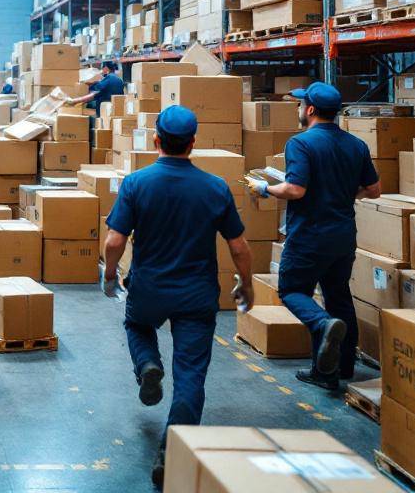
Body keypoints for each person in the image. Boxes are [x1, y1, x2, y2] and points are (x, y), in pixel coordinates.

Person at [100, 105, 254, 486]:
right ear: (193, 143)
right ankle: (172, 453)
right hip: (197, 295)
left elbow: (115, 241)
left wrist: (109, 274)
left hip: (149, 289)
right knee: (191, 376)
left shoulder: (136, 183)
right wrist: (247, 284)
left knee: (137, 326)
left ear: (156, 141)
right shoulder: (215, 187)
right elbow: (239, 247)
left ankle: (148, 365)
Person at [249, 81, 380, 392]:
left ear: (309, 109)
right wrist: (343, 195)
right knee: (338, 296)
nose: (298, 108)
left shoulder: (301, 143)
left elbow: (295, 189)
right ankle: (338, 368)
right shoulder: (356, 145)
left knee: (292, 290)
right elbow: (374, 189)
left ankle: (322, 326)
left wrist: (265, 188)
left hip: (310, 235)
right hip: (343, 235)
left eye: (299, 104)